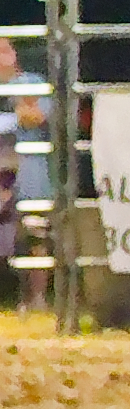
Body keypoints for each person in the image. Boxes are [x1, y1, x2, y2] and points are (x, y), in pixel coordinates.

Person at [0, 39, 53, 313]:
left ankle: (36, 299)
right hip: (3, 168)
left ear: (14, 55)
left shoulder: (32, 83)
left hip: (29, 170)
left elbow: (39, 117)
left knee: (34, 235)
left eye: (2, 51)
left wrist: (18, 101)